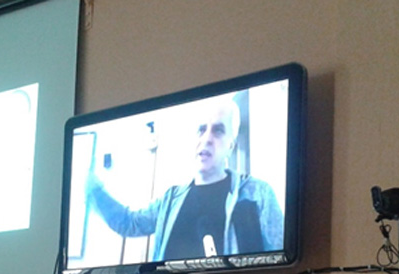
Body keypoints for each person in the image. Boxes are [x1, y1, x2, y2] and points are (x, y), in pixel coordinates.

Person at [86, 97, 284, 262]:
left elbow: (280, 258)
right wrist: (93, 188)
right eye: (201, 129)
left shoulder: (258, 194)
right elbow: (130, 223)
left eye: (218, 130)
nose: (207, 138)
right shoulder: (170, 199)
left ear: (230, 146)